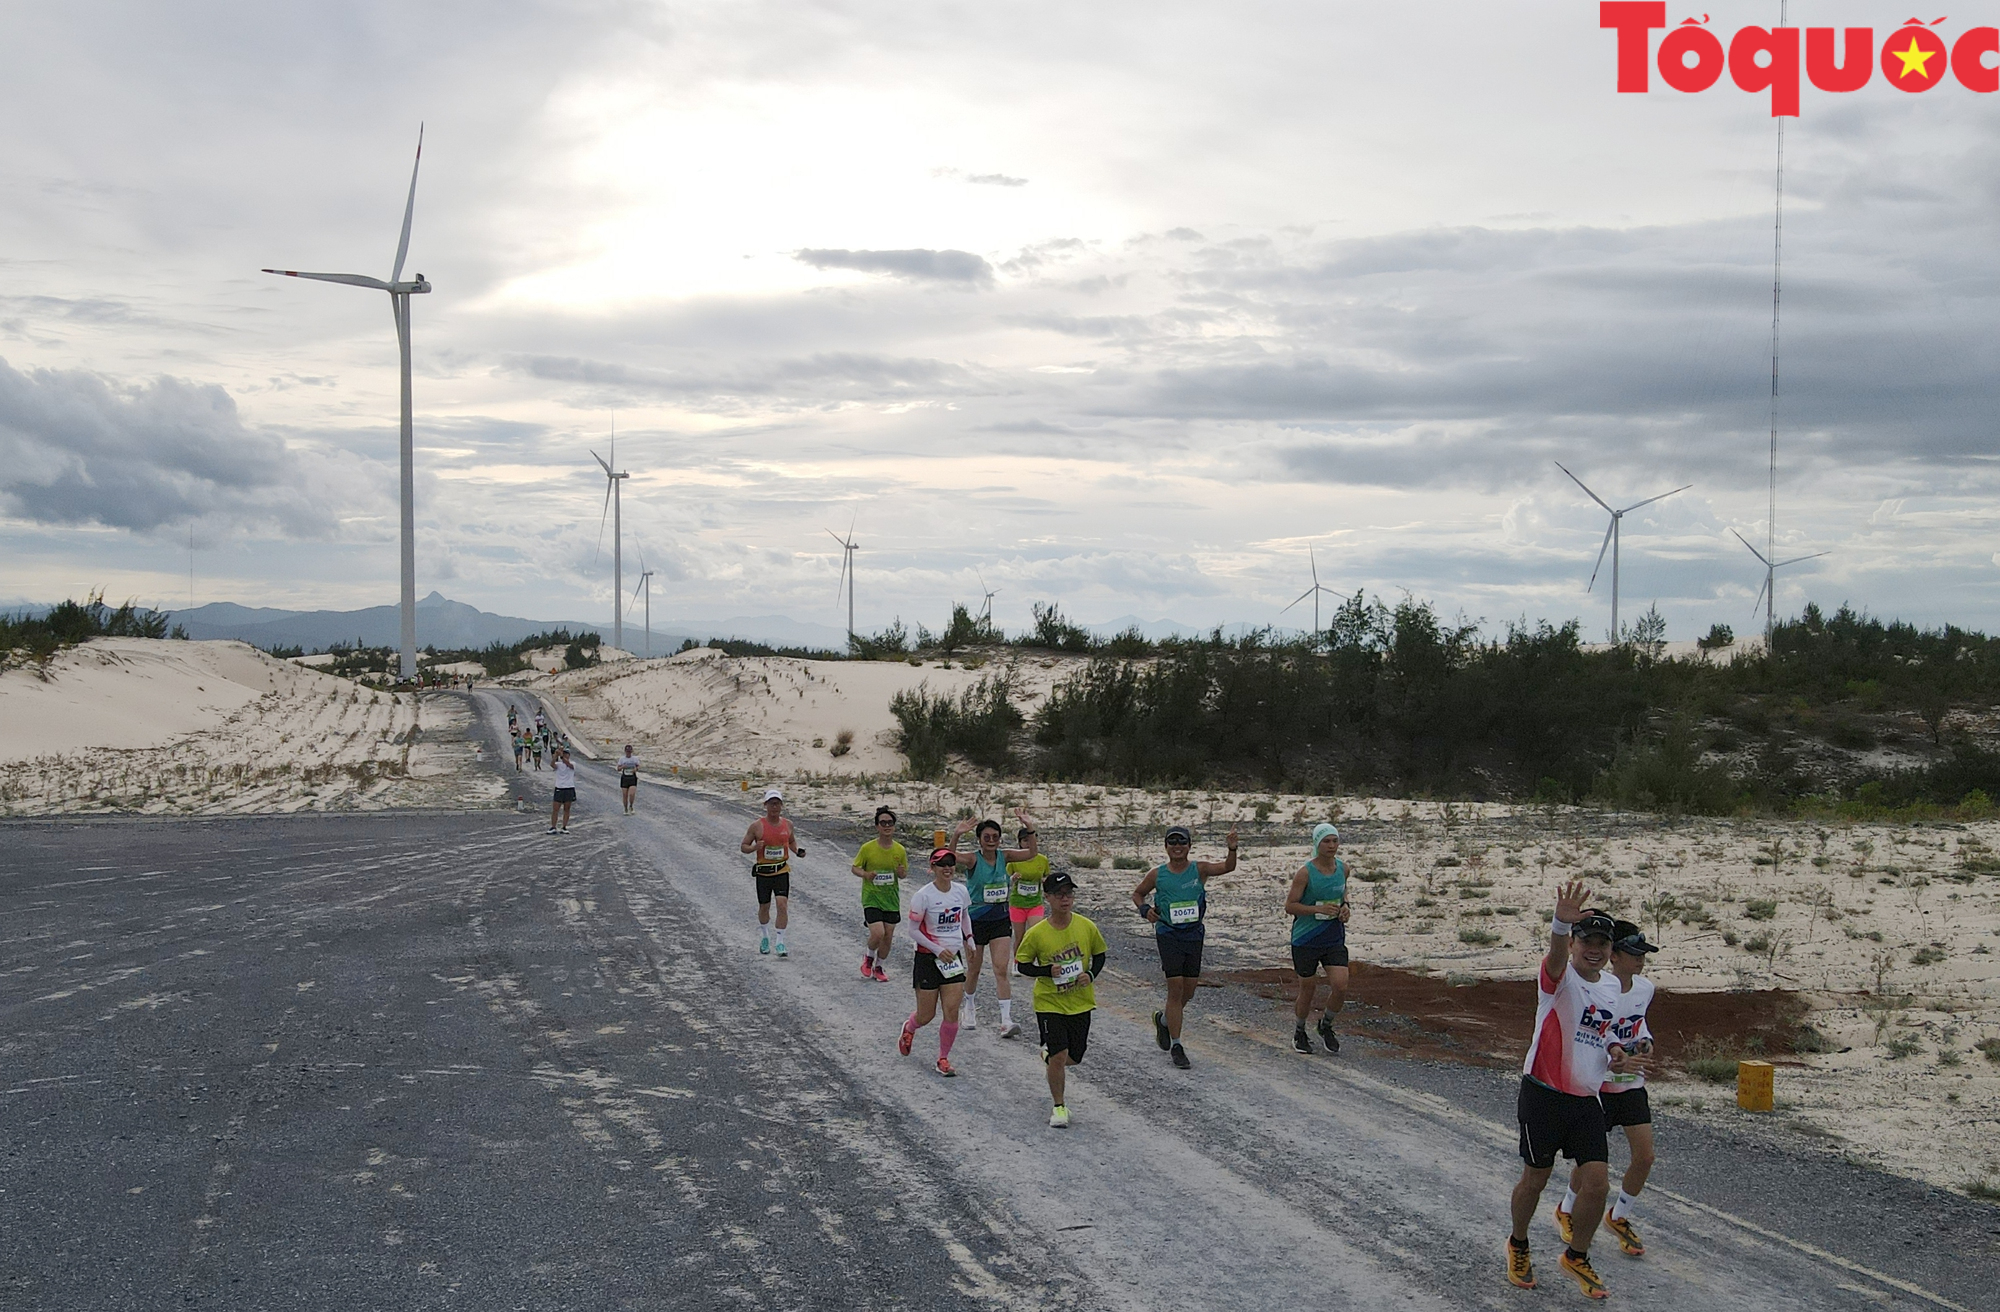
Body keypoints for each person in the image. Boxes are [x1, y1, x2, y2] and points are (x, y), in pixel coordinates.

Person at [1506, 882, 1635, 1299]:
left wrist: (1616, 1049)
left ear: (1611, 950)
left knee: (1596, 1183)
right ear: (1576, 944)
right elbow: (1557, 954)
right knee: (1535, 1179)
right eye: (1587, 941)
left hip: (1585, 1099)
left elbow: (1605, 1028)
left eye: (1602, 942)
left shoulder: (1612, 987)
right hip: (1543, 1093)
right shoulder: (1557, 978)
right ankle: (1519, 1242)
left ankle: (1576, 1256)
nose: (1593, 949)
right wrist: (1561, 922)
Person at [1557, 920, 1659, 1259]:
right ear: (1615, 956)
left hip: (1632, 1085)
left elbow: (1638, 1021)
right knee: (1591, 1165)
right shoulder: (1601, 988)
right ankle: (1567, 1209)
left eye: (1643, 954)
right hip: (1600, 1087)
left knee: (1644, 1157)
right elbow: (1596, 1032)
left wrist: (1645, 1042)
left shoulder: (1645, 988)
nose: (1641, 960)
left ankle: (1619, 1216)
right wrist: (1614, 1055)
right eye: (1634, 954)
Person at [1130, 824, 1237, 1070]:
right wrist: (1145, 910)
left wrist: (1232, 848)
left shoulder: (1199, 869)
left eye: (1182, 842)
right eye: (1172, 842)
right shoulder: (1158, 874)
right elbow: (1138, 894)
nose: (1177, 847)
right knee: (1175, 989)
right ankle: (1177, 1046)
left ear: (1189, 846)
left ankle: (1165, 1020)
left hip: (1193, 934)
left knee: (1188, 991)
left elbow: (1228, 867)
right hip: (1168, 933)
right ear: (1166, 847)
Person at [1015, 870, 1106, 1129]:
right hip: (1049, 1002)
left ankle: (1050, 1056)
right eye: (1059, 895)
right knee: (1059, 1054)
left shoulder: (1086, 927)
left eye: (1069, 894)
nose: (1065, 899)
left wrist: (1090, 974)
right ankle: (1059, 1107)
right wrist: (1046, 971)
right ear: (1048, 898)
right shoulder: (1037, 933)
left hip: (1080, 1002)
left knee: (1074, 1056)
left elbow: (1100, 955)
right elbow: (1022, 965)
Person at [949, 809, 1037, 1038]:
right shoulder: (972, 859)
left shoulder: (1005, 856)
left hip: (999, 919)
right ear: (979, 839)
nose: (991, 841)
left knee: (1001, 969)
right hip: (975, 921)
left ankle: (1006, 1020)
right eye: (986, 837)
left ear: (1000, 838)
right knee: (974, 969)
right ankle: (968, 1007)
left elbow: (1032, 853)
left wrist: (1030, 828)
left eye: (995, 837)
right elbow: (947, 858)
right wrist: (956, 835)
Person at [899, 848, 972, 1077]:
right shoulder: (923, 896)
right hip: (928, 958)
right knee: (926, 1015)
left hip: (953, 960)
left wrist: (970, 939)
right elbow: (912, 930)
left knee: (952, 1011)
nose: (948, 868)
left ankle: (943, 1058)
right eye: (942, 864)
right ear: (933, 868)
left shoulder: (960, 891)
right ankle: (910, 1027)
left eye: (951, 863)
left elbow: (964, 916)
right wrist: (937, 950)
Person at [1284, 822, 1350, 1055]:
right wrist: (1316, 910)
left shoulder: (1343, 868)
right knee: (1308, 988)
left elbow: (1342, 894)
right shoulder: (1305, 873)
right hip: (1306, 939)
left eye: (1335, 840)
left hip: (1332, 937)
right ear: (1317, 844)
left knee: (1341, 986)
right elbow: (1290, 906)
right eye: (1326, 841)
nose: (1331, 846)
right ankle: (1300, 1030)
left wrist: (1345, 908)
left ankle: (1326, 1025)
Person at [739, 788, 804, 957]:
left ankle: (780, 942)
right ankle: (765, 937)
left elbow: (791, 841)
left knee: (782, 905)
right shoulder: (757, 826)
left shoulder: (788, 824)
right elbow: (743, 846)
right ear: (765, 805)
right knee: (764, 907)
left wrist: (797, 851)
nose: (774, 807)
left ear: (781, 805)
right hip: (763, 873)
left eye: (777, 803)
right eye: (771, 804)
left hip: (781, 871)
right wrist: (754, 847)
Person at [852, 806, 908, 982]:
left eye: (890, 823)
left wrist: (900, 872)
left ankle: (879, 967)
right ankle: (868, 958)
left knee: (888, 936)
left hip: (891, 899)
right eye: (883, 823)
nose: (887, 826)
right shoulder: (868, 848)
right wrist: (866, 875)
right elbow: (855, 868)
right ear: (877, 826)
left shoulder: (900, 850)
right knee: (878, 933)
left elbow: (904, 874)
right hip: (872, 898)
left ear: (894, 826)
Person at [1006, 825, 1052, 943]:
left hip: (1035, 903)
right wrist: (1012, 878)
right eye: (1025, 840)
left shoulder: (1042, 860)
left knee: (1035, 934)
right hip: (1017, 903)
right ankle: (1017, 961)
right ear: (1020, 842)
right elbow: (1005, 880)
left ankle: (1032, 960)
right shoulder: (1013, 859)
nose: (1028, 843)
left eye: (1031, 840)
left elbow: (1047, 877)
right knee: (1020, 938)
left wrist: (1045, 880)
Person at [547, 747, 577, 834]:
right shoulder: (559, 764)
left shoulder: (572, 763)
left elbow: (569, 765)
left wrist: (561, 757)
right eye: (564, 753)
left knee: (567, 809)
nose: (565, 755)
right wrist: (555, 755)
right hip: (559, 787)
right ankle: (553, 827)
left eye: (566, 753)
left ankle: (564, 827)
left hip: (569, 787)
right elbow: (552, 765)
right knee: (555, 809)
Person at [616, 745, 641, 814]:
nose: (628, 753)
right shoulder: (622, 759)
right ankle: (625, 808)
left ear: (631, 752)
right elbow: (618, 769)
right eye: (627, 752)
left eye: (629, 752)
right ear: (625, 752)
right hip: (625, 778)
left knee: (632, 794)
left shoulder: (635, 758)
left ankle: (631, 806)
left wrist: (636, 769)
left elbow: (638, 766)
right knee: (625, 795)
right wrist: (622, 767)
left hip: (632, 778)